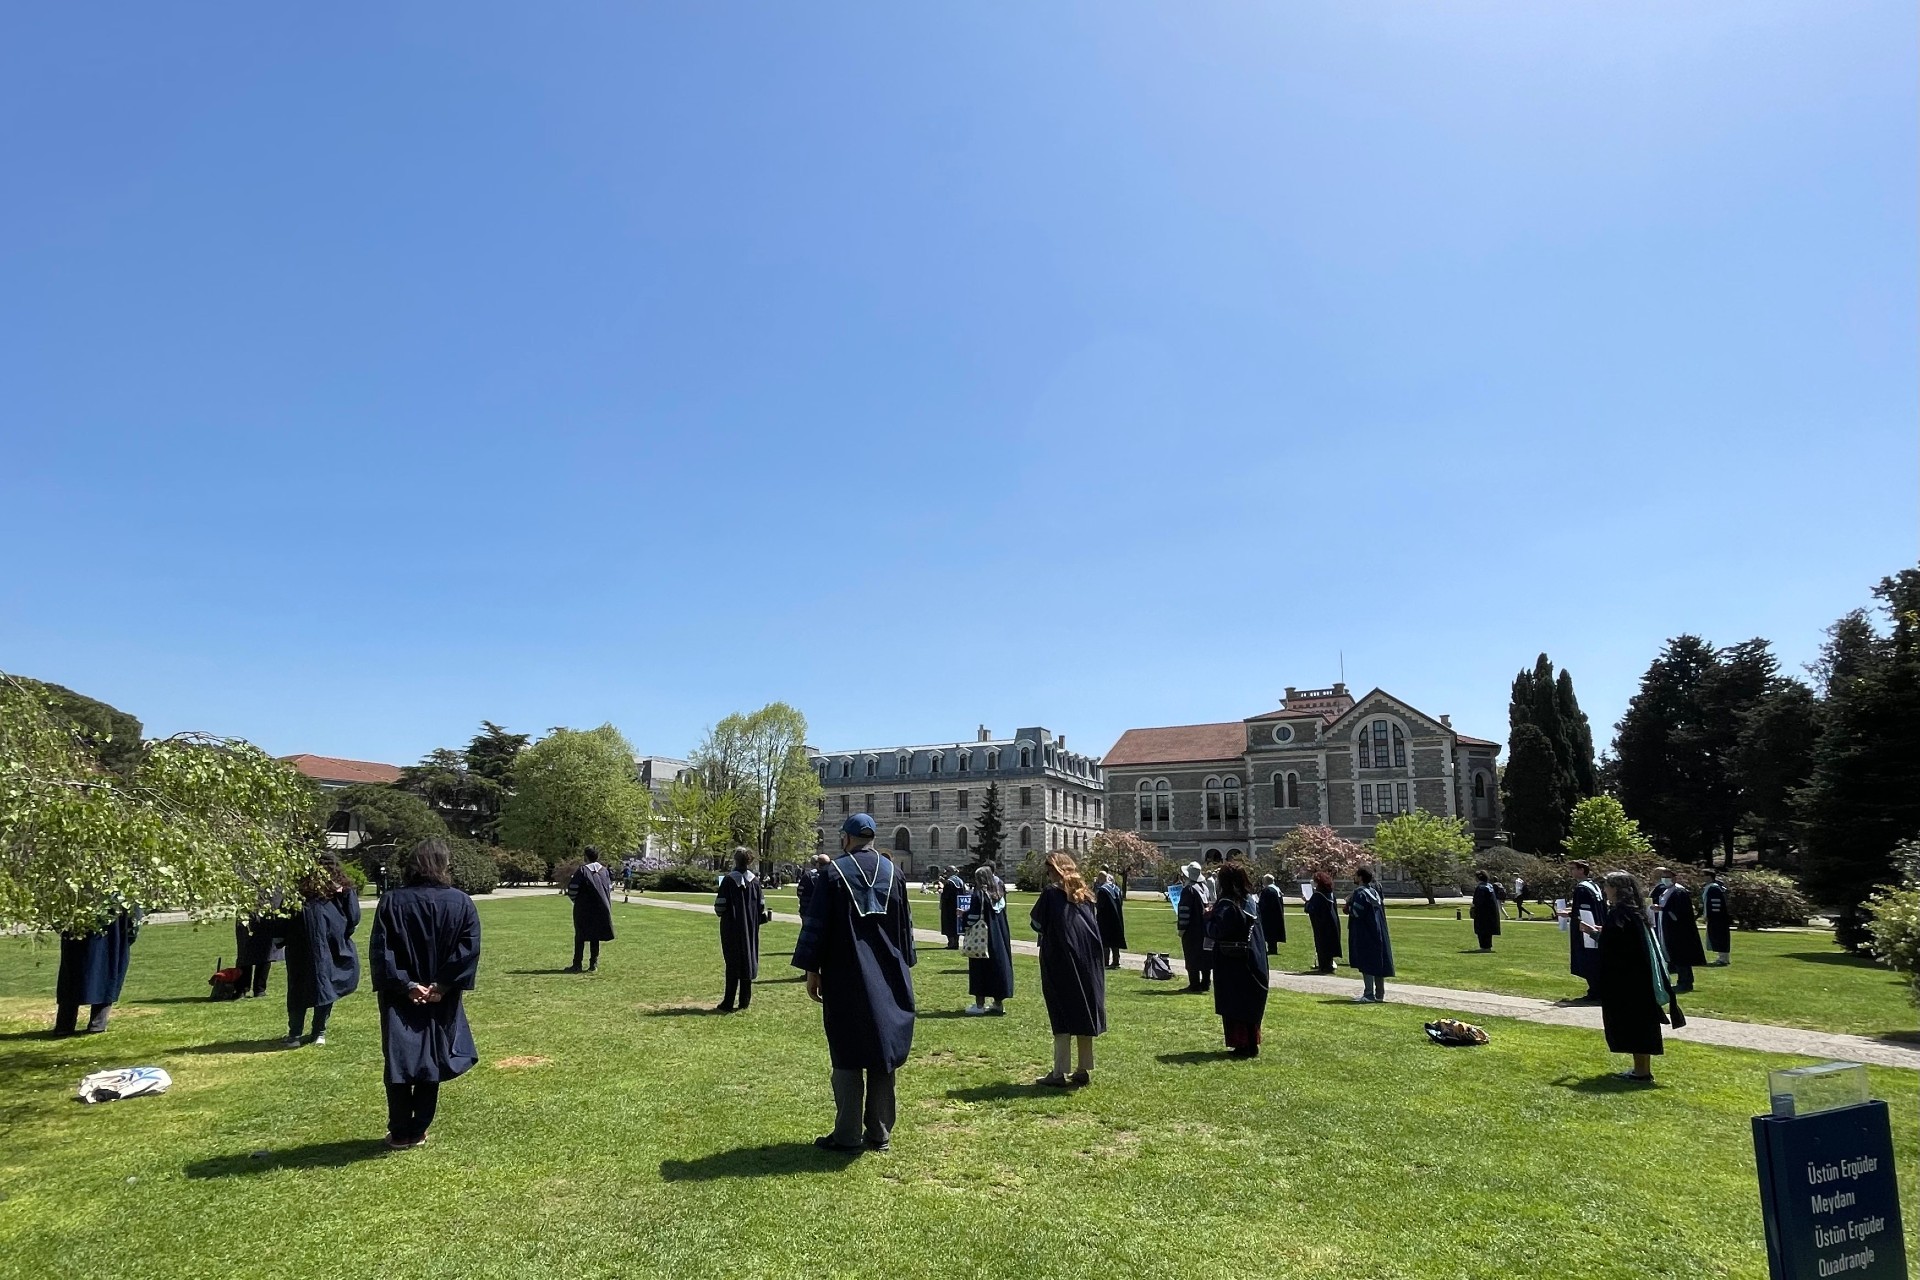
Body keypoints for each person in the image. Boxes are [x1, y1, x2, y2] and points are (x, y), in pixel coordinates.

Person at [791, 813, 917, 1153]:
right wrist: (906, 966)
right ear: (872, 838)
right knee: (883, 1050)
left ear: (846, 839)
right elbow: (906, 928)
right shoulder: (895, 873)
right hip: (890, 974)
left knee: (846, 1051)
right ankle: (879, 1132)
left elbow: (816, 925)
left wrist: (812, 969)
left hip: (847, 973)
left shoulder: (833, 873)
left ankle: (847, 1134)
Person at [369, 838, 482, 1149]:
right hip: (439, 995)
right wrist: (442, 986)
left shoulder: (391, 902)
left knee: (399, 1059)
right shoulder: (461, 902)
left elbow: (383, 951)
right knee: (432, 1055)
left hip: (400, 995)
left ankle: (401, 1130)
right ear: (445, 865)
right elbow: (467, 949)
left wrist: (406, 985)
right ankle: (417, 1129)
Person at [1583, 870, 1678, 1083]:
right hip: (1638, 978)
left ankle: (1642, 1073)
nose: (1604, 890)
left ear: (1616, 888)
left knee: (1635, 1025)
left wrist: (1593, 932)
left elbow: (1614, 944)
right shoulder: (1634, 912)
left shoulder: (1621, 913)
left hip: (1628, 981)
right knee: (1642, 1024)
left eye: (1607, 886)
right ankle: (1641, 1070)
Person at [1030, 853, 1107, 1086]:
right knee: (1084, 1010)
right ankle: (1083, 1068)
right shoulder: (1086, 896)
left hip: (1060, 958)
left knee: (1061, 1012)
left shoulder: (1051, 894)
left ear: (1056, 870)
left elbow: (1036, 923)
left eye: (1049, 869)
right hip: (1089, 959)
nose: (1047, 874)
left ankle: (1058, 1072)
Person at [283, 852, 362, 1048]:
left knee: (298, 987)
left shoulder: (299, 890)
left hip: (301, 946)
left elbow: (283, 918)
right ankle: (319, 1031)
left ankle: (295, 1033)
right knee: (325, 985)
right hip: (331, 944)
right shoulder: (340, 890)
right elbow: (353, 917)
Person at [1208, 863, 1271, 1057]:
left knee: (1235, 1002)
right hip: (1255, 957)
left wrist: (1207, 919)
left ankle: (1242, 1044)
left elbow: (1218, 931)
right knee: (1250, 1002)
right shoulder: (1251, 900)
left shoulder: (1227, 904)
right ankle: (1252, 1043)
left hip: (1233, 961)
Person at [54, 906, 139, 1035]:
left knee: (72, 974)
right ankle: (97, 1023)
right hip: (110, 929)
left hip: (83, 925)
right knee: (107, 972)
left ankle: (65, 1024)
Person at [714, 846, 771, 1011]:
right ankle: (745, 1000)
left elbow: (720, 906)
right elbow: (761, 906)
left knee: (732, 962)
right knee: (748, 958)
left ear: (735, 860)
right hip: (751, 927)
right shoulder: (755, 881)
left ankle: (728, 1001)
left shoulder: (729, 880)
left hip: (731, 927)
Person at [962, 865, 1013, 1015]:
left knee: (980, 969)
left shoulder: (980, 894)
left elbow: (973, 917)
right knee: (998, 967)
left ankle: (979, 1005)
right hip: (1000, 937)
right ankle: (998, 1003)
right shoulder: (999, 893)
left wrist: (963, 917)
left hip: (983, 938)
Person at [1651, 867, 1705, 993]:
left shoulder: (1679, 892)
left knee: (1682, 957)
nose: (1665, 879)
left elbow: (1680, 911)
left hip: (1679, 930)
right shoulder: (1667, 891)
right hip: (1668, 929)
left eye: (1668, 877)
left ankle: (1685, 982)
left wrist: (1662, 909)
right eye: (1664, 877)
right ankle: (1681, 980)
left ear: (1675, 878)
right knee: (1675, 955)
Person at [1345, 867, 1394, 1003]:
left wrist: (1348, 904)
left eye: (1355, 875)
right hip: (1377, 930)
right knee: (1377, 961)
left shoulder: (1360, 893)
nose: (1354, 878)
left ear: (1360, 877)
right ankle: (1379, 994)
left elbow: (1356, 913)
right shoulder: (1374, 892)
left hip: (1364, 932)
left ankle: (1368, 994)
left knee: (1367, 962)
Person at [565, 846, 616, 973]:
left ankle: (577, 964)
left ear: (585, 856)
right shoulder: (604, 871)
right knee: (595, 936)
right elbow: (609, 888)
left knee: (580, 935)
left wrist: (575, 900)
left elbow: (572, 889)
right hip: (601, 908)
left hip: (584, 908)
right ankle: (593, 964)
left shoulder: (582, 870)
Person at [1565, 860, 1606, 1001]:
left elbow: (1584, 911)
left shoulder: (1582, 888)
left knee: (1587, 958)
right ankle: (1596, 990)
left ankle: (1595, 992)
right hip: (1597, 923)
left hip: (1586, 927)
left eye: (1573, 869)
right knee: (1595, 958)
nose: (1571, 872)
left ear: (1582, 870)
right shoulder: (1594, 886)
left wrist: (1578, 920)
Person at [234, 899, 284, 999]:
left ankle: (254, 989)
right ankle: (249, 989)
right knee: (251, 952)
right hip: (257, 912)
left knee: (261, 952)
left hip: (262, 914)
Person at [1176, 862, 1212, 992]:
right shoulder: (1204, 887)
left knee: (1192, 955)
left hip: (1192, 929)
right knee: (1205, 954)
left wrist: (1182, 928)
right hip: (1205, 928)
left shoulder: (1189, 889)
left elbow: (1184, 910)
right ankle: (1206, 982)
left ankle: (1194, 984)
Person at [1304, 871, 1341, 974]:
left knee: (1322, 944)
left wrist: (1307, 902)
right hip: (1331, 922)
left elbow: (1311, 909)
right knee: (1329, 944)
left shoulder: (1318, 895)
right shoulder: (1330, 894)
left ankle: (1324, 966)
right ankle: (1329, 964)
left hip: (1321, 924)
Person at [1093, 870, 1127, 969]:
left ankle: (1105, 961)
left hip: (1105, 919)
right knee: (1116, 939)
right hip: (1117, 918)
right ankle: (1116, 960)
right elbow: (1121, 903)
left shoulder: (1102, 890)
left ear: (1101, 879)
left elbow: (1100, 906)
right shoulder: (1117, 889)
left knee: (1105, 940)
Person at [1702, 868, 1733, 966]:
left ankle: (1723, 959)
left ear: (1709, 877)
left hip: (1717, 917)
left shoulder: (1713, 888)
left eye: (1704, 875)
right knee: (1717, 936)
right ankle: (1722, 958)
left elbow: (1715, 904)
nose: (1702, 878)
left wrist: (1710, 915)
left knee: (1720, 937)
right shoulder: (1710, 887)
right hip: (1716, 917)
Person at [1470, 870, 1502, 952]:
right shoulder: (1489, 886)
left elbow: (1478, 901)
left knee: (1482, 930)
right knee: (1488, 931)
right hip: (1491, 912)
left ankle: (1484, 947)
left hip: (1483, 913)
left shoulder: (1481, 888)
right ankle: (1488, 946)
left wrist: (1474, 908)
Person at [1256, 874, 1288, 956]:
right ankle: (1273, 948)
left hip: (1269, 915)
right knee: (1274, 933)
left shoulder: (1268, 890)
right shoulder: (1277, 889)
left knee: (1270, 932)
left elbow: (1263, 904)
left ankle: (1272, 949)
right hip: (1276, 914)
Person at [938, 866, 965, 950]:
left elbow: (946, 896)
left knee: (949, 925)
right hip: (958, 906)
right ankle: (956, 942)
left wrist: (942, 889)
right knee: (956, 925)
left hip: (949, 907)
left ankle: (951, 943)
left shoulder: (950, 882)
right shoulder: (960, 881)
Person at [796, 852, 830, 917]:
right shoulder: (832, 876)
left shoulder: (808, 876)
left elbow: (799, 893)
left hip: (807, 910)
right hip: (824, 912)